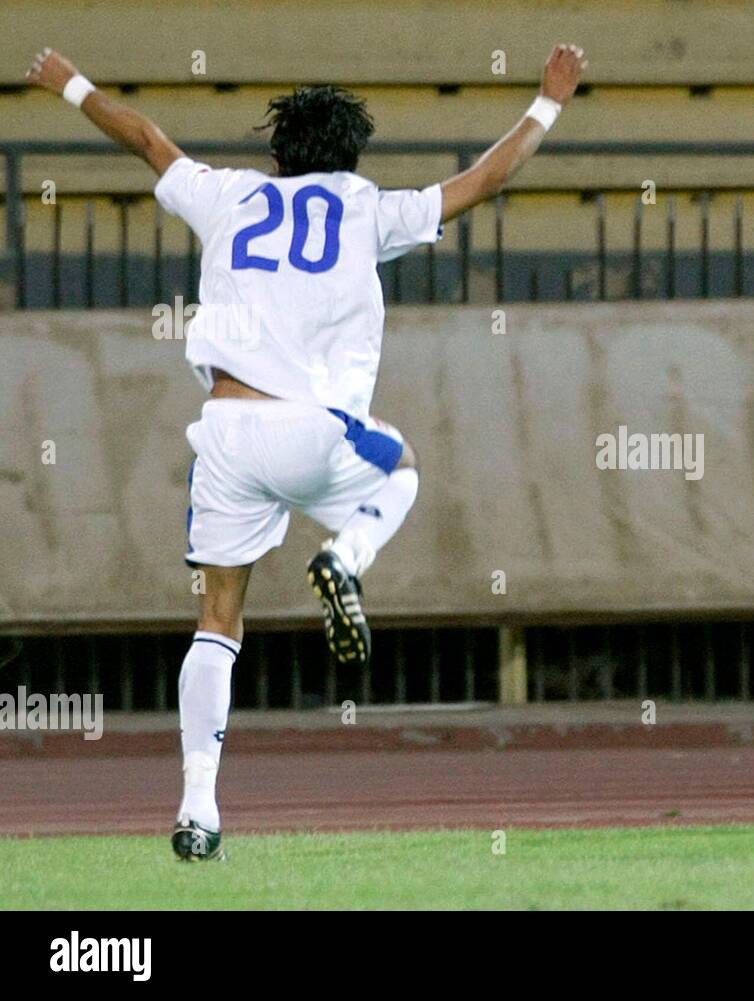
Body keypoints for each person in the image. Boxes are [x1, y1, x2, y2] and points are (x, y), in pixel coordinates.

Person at [25, 42, 587, 859]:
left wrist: (69, 82)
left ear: (278, 154)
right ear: (352, 155)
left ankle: (198, 812)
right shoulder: (365, 206)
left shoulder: (229, 196)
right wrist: (548, 101)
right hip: (314, 429)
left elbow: (147, 138)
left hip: (224, 432)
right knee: (400, 468)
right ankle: (347, 557)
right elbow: (487, 180)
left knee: (217, 621)